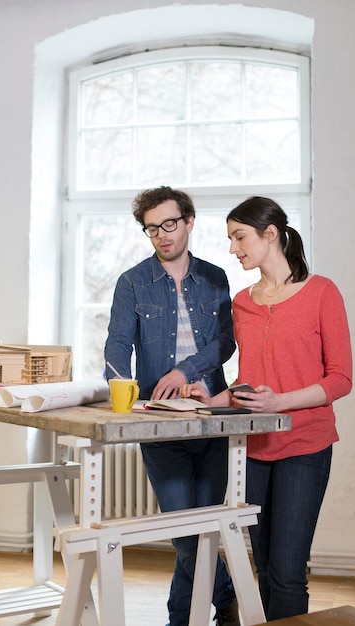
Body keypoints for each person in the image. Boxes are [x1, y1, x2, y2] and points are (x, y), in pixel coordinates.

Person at [180, 196, 353, 621]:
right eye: (230, 239)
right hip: (253, 449)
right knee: (263, 568)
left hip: (305, 446)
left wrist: (281, 403)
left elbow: (340, 379)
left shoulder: (321, 293)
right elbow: (250, 383)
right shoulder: (242, 301)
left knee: (289, 572)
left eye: (240, 237)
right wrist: (214, 399)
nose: (233, 248)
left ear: (270, 234)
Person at [104, 186, 240, 626]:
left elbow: (225, 342)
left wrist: (185, 371)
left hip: (211, 418)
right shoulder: (132, 282)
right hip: (160, 425)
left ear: (189, 222)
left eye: (169, 224)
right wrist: (119, 388)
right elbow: (117, 346)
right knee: (185, 531)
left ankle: (181, 620)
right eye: (151, 228)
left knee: (204, 529)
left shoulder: (217, 278)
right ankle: (230, 595)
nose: (162, 235)